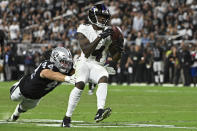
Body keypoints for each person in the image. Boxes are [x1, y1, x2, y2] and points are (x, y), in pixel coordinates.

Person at [61, 4, 122, 127]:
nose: (103, 19)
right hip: (84, 62)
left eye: (105, 17)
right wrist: (100, 37)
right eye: (100, 16)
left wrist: (119, 48)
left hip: (97, 65)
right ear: (92, 16)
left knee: (104, 75)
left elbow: (115, 58)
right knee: (81, 83)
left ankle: (100, 111)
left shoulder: (108, 32)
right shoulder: (83, 28)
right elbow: (87, 51)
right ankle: (67, 118)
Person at [7, 47, 75, 122]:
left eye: (67, 62)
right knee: (13, 97)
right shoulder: (48, 65)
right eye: (63, 62)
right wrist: (68, 78)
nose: (66, 65)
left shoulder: (67, 69)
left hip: (38, 96)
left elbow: (78, 72)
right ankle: (18, 84)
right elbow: (46, 73)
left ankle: (15, 115)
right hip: (25, 88)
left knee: (24, 108)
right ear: (56, 59)